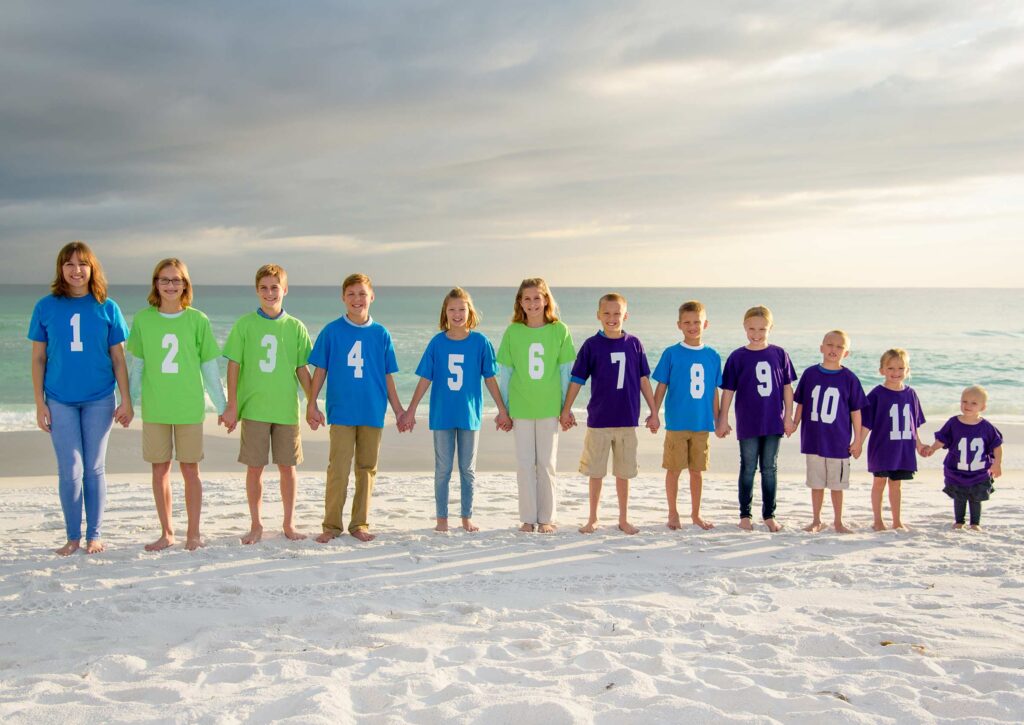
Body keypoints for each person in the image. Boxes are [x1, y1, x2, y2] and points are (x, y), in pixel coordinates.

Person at [28, 241, 133, 555]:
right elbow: (38, 359)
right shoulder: (45, 307)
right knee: (70, 468)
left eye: (82, 264)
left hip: (99, 398)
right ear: (61, 268)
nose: (76, 270)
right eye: (69, 264)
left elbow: (118, 359)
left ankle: (94, 535)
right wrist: (39, 402)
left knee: (94, 468)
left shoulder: (107, 307)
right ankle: (73, 536)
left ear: (92, 268)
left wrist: (126, 400)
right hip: (59, 399)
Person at [127, 258, 225, 551]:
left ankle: (193, 533)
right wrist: (128, 403)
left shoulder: (198, 320)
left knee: (191, 471)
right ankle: (167, 532)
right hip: (155, 408)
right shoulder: (144, 320)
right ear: (156, 283)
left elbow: (209, 369)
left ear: (185, 284)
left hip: (188, 407)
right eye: (165, 279)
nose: (171, 285)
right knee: (159, 471)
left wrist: (223, 407)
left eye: (176, 280)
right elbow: (138, 367)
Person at [401, 287, 512, 533]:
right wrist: (410, 411)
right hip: (442, 415)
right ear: (445, 312)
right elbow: (424, 380)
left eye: (462, 309)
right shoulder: (437, 343)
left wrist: (502, 410)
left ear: (469, 311)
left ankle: (466, 518)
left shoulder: (480, 342)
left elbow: (490, 379)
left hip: (469, 415)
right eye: (452, 309)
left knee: (467, 469)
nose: (457, 314)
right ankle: (442, 519)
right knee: (442, 469)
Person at [306, 273, 405, 543]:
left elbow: (387, 376)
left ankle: (359, 523)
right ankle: (331, 526)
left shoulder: (380, 333)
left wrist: (398, 410)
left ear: (372, 297)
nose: (357, 299)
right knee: (338, 468)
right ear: (343, 298)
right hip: (342, 411)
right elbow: (320, 370)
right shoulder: (332, 331)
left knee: (366, 468)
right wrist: (312, 404)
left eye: (362, 294)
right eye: (351, 294)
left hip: (372, 411)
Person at [221, 264, 313, 544]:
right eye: (264, 287)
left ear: (284, 290)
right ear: (257, 290)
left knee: (288, 468)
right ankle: (256, 524)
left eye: (275, 287)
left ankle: (288, 523)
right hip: (255, 409)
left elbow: (301, 369)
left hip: (286, 409)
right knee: (254, 468)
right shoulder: (245, 325)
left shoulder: (296, 327)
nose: (270, 292)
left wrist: (312, 404)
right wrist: (231, 404)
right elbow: (234, 366)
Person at [561, 293, 658, 535]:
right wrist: (566, 409)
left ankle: (623, 519)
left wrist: (654, 411)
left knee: (623, 473)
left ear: (626, 315)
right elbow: (577, 379)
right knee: (595, 472)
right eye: (607, 313)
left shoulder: (634, 344)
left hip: (627, 420)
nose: (612, 318)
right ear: (598, 315)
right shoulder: (592, 345)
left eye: (617, 314)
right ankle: (592, 517)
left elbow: (644, 380)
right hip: (599, 421)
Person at [496, 278, 576, 533]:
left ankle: (547, 518)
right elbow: (505, 374)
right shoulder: (513, 332)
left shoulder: (559, 330)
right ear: (520, 302)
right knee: (524, 464)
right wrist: (504, 410)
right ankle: (528, 518)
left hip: (549, 407)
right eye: (527, 299)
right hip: (520, 407)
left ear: (546, 301)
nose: (532, 303)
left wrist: (566, 408)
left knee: (547, 463)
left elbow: (566, 373)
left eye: (537, 298)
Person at [717, 305, 796, 532]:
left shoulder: (779, 354)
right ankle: (745, 515)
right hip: (748, 422)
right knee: (748, 467)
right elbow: (728, 391)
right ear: (744, 327)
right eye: (752, 328)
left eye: (762, 329)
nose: (756, 334)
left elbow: (787, 388)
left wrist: (788, 417)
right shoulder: (737, 357)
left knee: (770, 468)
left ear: (770, 328)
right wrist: (723, 419)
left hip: (773, 421)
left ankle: (769, 515)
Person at [651, 300, 721, 530]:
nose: (693, 326)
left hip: (702, 424)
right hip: (677, 423)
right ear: (679, 325)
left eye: (697, 322)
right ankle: (673, 513)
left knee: (697, 472)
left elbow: (714, 391)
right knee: (674, 470)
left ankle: (696, 514)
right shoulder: (672, 353)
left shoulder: (713, 356)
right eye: (687, 322)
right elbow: (661, 386)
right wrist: (654, 413)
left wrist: (719, 419)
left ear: (706, 324)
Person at [792, 330, 867, 533]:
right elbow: (800, 403)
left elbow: (856, 412)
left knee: (837, 485)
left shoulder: (849, 378)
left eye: (839, 347)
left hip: (839, 442)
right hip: (814, 439)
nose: (834, 350)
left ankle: (838, 521)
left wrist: (858, 440)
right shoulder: (810, 374)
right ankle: (816, 519)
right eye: (830, 345)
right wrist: (794, 423)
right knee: (816, 483)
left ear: (847, 353)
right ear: (821, 348)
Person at [858, 348, 929, 531]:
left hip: (903, 448)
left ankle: (897, 520)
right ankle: (878, 520)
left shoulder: (911, 394)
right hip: (882, 447)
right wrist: (858, 442)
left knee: (896, 485)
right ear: (881, 370)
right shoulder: (876, 394)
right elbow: (867, 423)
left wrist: (918, 444)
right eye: (890, 368)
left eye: (900, 368)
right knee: (879, 482)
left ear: (907, 370)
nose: (895, 373)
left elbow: (913, 423)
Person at [924, 385, 1003, 530]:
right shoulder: (953, 423)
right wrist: (933, 448)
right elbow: (942, 439)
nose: (968, 405)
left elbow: (996, 446)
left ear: (982, 407)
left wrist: (997, 464)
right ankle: (959, 521)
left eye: (974, 403)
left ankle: (975, 523)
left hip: (979, 472)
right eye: (964, 401)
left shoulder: (987, 427)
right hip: (957, 470)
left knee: (976, 498)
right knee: (959, 497)